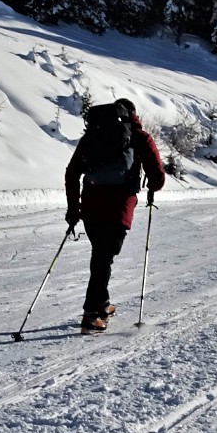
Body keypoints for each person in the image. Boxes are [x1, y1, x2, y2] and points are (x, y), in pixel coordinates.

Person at [65, 98, 166, 334]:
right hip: (119, 205)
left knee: (101, 255)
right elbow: (158, 178)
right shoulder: (139, 136)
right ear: (133, 114)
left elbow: (72, 173)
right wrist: (151, 186)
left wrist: (73, 208)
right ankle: (91, 315)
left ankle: (102, 303)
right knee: (103, 257)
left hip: (91, 204)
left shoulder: (92, 136)